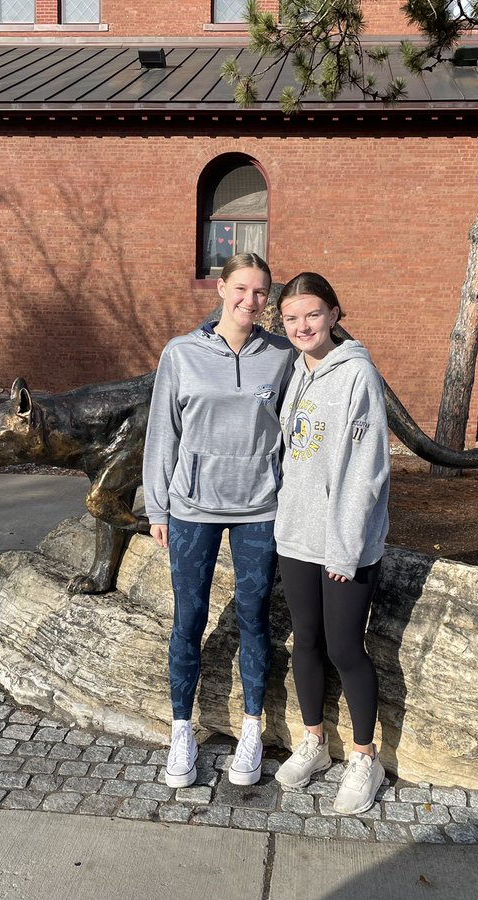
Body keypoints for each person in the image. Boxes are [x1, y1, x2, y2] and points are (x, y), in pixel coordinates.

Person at [143, 253, 297, 789]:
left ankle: (252, 730)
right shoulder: (182, 353)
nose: (250, 301)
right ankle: (182, 729)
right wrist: (156, 506)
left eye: (260, 293)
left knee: (255, 618)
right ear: (220, 288)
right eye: (241, 289)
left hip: (261, 508)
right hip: (192, 508)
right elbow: (163, 432)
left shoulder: (280, 355)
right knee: (189, 619)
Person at [271, 272, 391, 815]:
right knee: (307, 642)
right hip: (295, 535)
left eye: (312, 314)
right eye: (291, 317)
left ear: (335, 314)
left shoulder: (357, 375)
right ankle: (315, 741)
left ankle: (365, 759)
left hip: (344, 544)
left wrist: (344, 548)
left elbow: (367, 473)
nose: (302, 326)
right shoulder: (296, 372)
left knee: (345, 648)